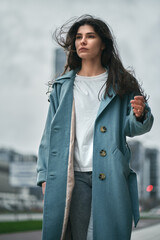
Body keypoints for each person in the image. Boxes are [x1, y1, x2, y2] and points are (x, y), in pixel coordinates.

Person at [37, 14, 154, 240]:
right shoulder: (62, 86)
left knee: (108, 233)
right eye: (79, 37)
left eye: (90, 36)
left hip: (111, 173)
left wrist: (139, 115)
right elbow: (49, 134)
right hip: (74, 175)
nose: (82, 41)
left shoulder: (122, 82)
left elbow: (133, 128)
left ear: (103, 44)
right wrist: (43, 175)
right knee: (80, 235)